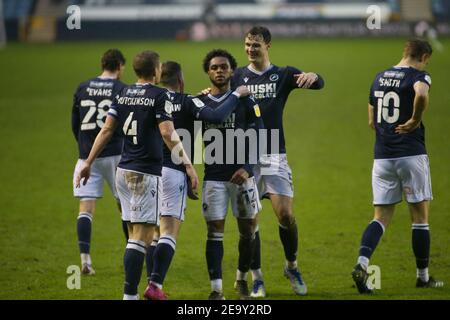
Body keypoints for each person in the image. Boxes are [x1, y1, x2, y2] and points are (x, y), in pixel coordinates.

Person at [76, 50, 199, 300]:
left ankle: (136, 291)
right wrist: (187, 163)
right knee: (141, 238)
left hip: (123, 170)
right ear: (155, 70)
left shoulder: (122, 93)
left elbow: (107, 129)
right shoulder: (159, 95)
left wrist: (88, 161)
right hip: (145, 173)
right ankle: (130, 295)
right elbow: (167, 133)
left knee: (135, 234)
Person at [144, 61, 252, 300]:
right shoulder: (188, 101)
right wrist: (234, 93)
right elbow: (216, 115)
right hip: (173, 169)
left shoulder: (149, 98)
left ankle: (144, 287)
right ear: (181, 81)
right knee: (168, 232)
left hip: (145, 170)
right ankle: (155, 285)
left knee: (151, 233)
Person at [231, 26, 325, 297]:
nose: (250, 49)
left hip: (274, 154)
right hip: (244, 158)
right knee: (251, 222)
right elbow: (218, 96)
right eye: (247, 44)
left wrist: (313, 75)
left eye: (256, 45)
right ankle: (257, 277)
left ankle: (291, 266)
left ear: (268, 46)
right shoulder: (238, 75)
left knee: (285, 214)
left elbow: (319, 83)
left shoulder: (282, 75)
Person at [351, 39, 444, 294]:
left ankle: (362, 263)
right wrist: (414, 119)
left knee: (380, 218)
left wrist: (384, 132)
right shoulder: (419, 75)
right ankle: (423, 277)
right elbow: (422, 94)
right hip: (410, 154)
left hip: (382, 157)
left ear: (404, 52)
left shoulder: (379, 77)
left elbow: (371, 119)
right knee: (420, 219)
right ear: (424, 56)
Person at [199, 49, 265, 300]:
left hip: (243, 178)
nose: (219, 70)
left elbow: (260, 135)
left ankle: (241, 279)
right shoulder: (200, 102)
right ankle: (216, 289)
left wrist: (248, 168)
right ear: (208, 71)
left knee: (248, 230)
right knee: (214, 231)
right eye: (214, 67)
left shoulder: (247, 101)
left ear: (231, 71)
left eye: (223, 67)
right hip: (214, 178)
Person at [71, 48, 128, 275]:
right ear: (120, 66)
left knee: (86, 207)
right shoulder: (121, 88)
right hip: (115, 153)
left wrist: (85, 147)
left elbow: (74, 123)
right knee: (125, 205)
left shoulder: (83, 87)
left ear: (103, 64)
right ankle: (131, 254)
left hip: (87, 156)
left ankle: (85, 261)